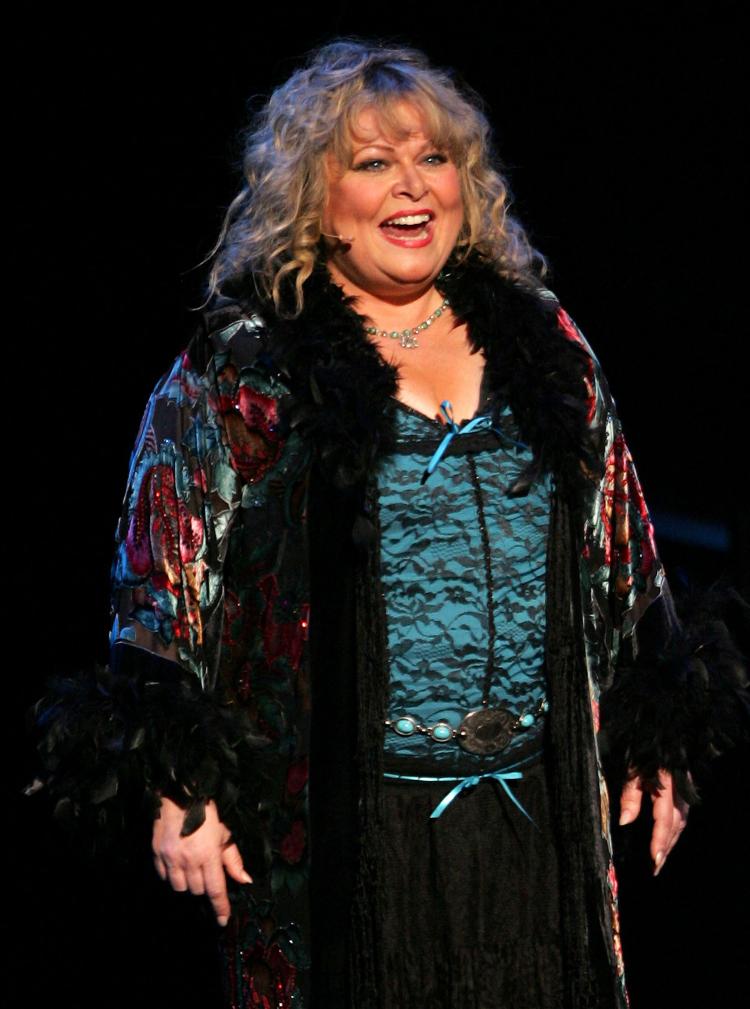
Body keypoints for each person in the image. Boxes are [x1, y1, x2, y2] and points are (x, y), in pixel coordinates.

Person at [33, 39, 748, 1009]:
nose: (413, 186)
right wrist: (173, 778)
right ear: (314, 198)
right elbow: (160, 576)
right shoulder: (251, 362)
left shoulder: (543, 339)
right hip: (348, 839)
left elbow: (622, 546)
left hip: (535, 827)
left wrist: (663, 729)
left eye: (433, 157)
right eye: (374, 162)